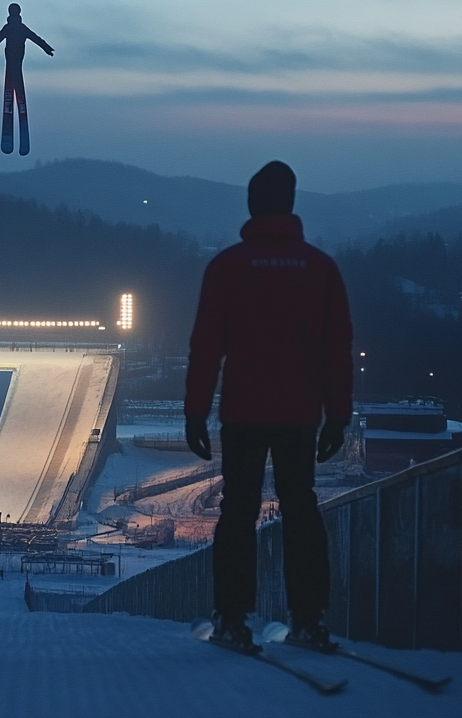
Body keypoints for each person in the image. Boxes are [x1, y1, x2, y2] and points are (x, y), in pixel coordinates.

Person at [184, 160, 353, 651]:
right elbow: (337, 347)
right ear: (292, 204)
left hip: (243, 411)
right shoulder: (320, 268)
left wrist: (195, 411)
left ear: (253, 205)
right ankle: (309, 619)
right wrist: (338, 414)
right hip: (301, 413)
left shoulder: (228, 266)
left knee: (238, 512)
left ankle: (233, 619)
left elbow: (206, 346)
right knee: (301, 509)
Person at [0, 3, 53, 156]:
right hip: (17, 57)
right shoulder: (20, 28)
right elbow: (36, 38)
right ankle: (16, 81)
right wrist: (47, 48)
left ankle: (14, 80)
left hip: (10, 56)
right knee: (16, 72)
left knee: (13, 71)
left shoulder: (9, 27)